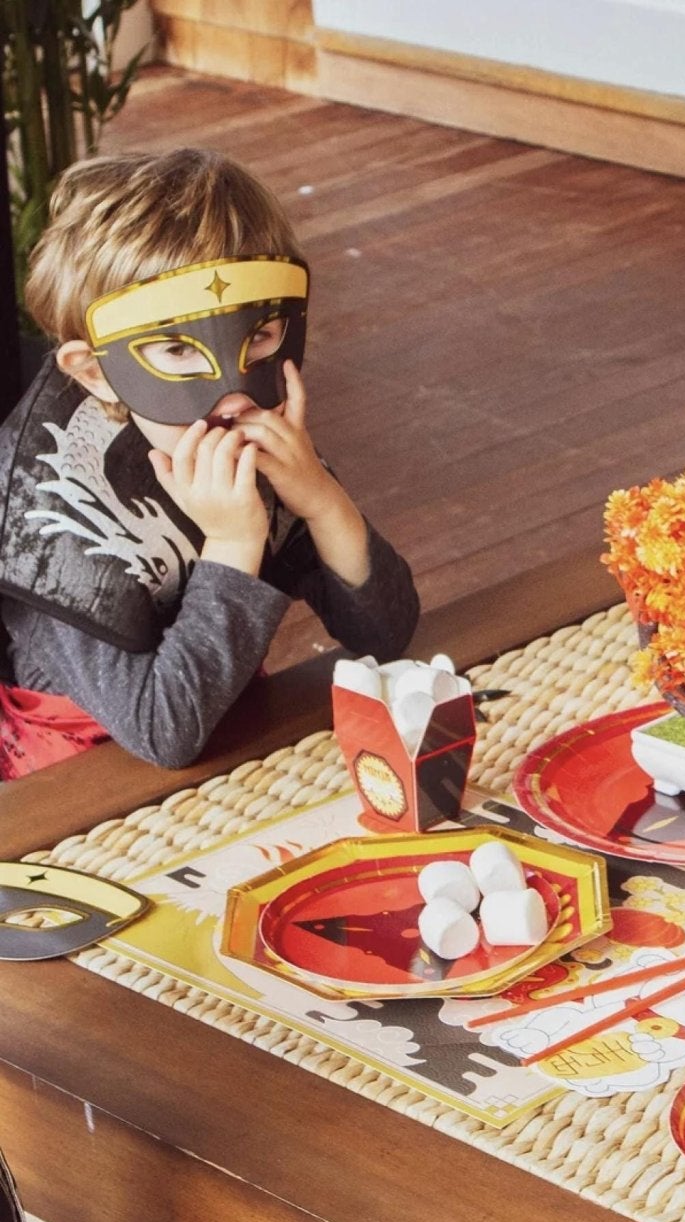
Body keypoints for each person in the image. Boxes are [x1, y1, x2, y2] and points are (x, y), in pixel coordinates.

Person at [0, 149, 419, 777]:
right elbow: (163, 731)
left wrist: (321, 500)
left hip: (235, 734)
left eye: (261, 336)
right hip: (78, 783)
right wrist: (234, 542)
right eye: (176, 351)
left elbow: (386, 632)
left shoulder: (246, 440)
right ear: (94, 372)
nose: (232, 397)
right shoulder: (42, 516)